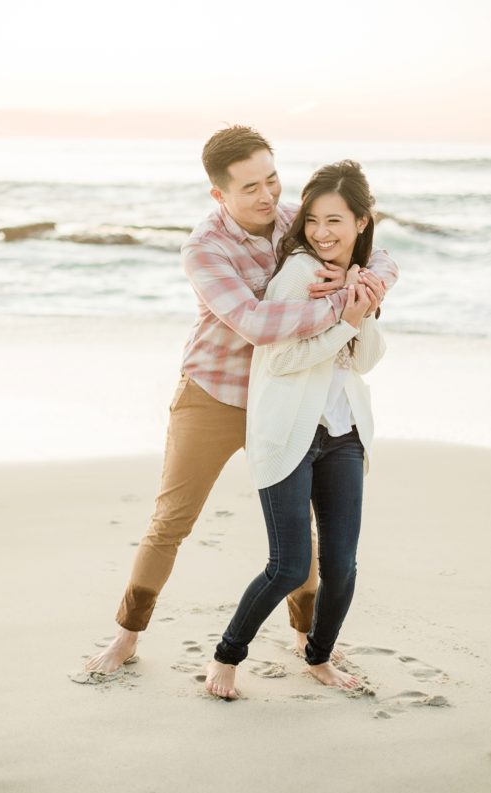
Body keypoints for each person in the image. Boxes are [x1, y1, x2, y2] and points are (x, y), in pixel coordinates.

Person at [85, 130, 398, 675]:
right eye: (250, 186)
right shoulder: (204, 247)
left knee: (299, 532)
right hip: (215, 395)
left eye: (272, 179)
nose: (268, 196)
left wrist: (362, 279)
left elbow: (378, 251)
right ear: (219, 194)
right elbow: (255, 323)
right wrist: (341, 310)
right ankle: (127, 634)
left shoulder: (294, 217)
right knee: (172, 520)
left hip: (285, 398)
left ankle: (304, 637)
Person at [205, 160, 387, 699]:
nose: (321, 232)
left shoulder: (355, 273)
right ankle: (226, 657)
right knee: (287, 567)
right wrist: (346, 323)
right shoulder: (298, 274)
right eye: (312, 220)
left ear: (361, 222)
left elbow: (365, 361)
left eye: (335, 221)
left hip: (343, 433)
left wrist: (366, 309)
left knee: (343, 566)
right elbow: (280, 361)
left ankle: (319, 657)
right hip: (289, 432)